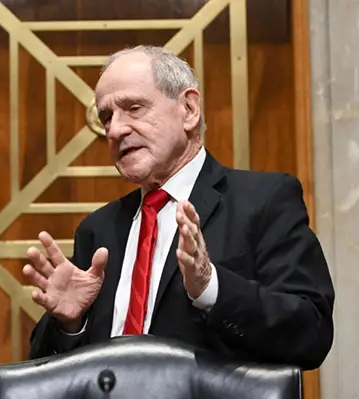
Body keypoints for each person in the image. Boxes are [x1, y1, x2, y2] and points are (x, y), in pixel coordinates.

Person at [24, 45, 334, 370]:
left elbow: (311, 333)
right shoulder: (98, 230)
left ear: (188, 109)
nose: (114, 130)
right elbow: (45, 372)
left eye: (133, 108)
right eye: (106, 117)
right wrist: (70, 324)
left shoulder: (264, 200)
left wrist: (211, 287)